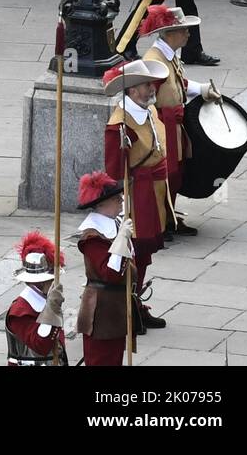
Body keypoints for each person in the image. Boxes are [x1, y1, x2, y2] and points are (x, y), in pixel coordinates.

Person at [138, 5, 222, 236]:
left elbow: (178, 83)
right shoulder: (154, 60)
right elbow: (144, 97)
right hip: (163, 124)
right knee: (165, 174)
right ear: (169, 33)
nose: (188, 34)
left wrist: (203, 89)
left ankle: (169, 217)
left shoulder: (168, 56)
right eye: (184, 30)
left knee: (175, 173)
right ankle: (160, 222)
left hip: (173, 123)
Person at [101, 59, 170, 334]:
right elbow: (113, 170)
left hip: (153, 190)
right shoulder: (118, 125)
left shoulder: (148, 109)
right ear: (131, 91)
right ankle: (126, 308)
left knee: (145, 253)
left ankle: (136, 301)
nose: (151, 88)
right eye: (144, 85)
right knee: (133, 251)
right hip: (135, 194)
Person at [76, 170, 131, 366]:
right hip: (101, 310)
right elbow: (110, 273)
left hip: (116, 306)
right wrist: (122, 242)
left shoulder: (114, 224)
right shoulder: (92, 237)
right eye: (117, 199)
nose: (121, 201)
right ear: (101, 205)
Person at [5, 231, 68, 366]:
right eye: (51, 279)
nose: (55, 282)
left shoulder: (46, 299)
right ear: (39, 282)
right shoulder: (20, 311)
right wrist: (52, 308)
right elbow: (41, 345)